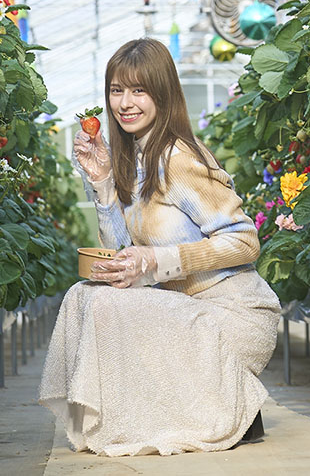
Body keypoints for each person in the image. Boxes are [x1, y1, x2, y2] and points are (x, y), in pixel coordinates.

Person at [39, 37, 280, 456]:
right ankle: (96, 423)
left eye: (139, 90)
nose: (125, 103)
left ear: (163, 94)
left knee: (103, 305)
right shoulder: (131, 158)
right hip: (178, 312)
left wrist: (159, 260)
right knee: (83, 295)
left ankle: (228, 398)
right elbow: (119, 251)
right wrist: (101, 185)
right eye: (117, 90)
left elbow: (245, 240)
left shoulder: (178, 156)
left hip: (230, 313)